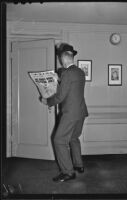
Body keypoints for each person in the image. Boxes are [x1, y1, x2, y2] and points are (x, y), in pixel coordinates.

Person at [40, 43, 88, 182]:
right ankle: (79, 165)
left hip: (70, 113)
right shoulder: (79, 72)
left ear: (62, 58)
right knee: (73, 138)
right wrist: (59, 78)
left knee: (59, 140)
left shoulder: (67, 74)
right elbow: (70, 87)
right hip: (81, 112)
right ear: (71, 57)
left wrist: (47, 101)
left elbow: (60, 96)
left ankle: (68, 172)